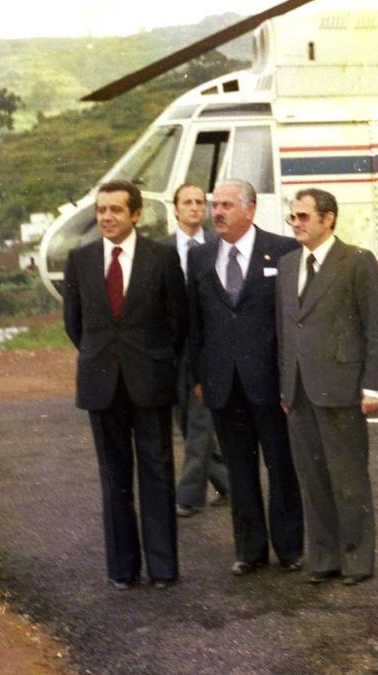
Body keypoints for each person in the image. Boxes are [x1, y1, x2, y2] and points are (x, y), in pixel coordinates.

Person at [62, 180, 187, 590]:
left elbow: (178, 321)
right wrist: (104, 357)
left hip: (150, 381)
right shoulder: (80, 260)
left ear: (135, 214)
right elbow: (75, 324)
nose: (107, 217)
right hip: (101, 384)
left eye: (115, 209)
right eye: (101, 210)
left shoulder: (162, 258)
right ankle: (122, 569)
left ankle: (163, 568)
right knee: (113, 477)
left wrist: (151, 357)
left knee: (157, 473)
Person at [187, 178, 304, 576]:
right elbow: (195, 323)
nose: (217, 212)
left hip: (269, 382)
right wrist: (199, 376)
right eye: (215, 205)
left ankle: (290, 548)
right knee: (239, 470)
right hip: (223, 383)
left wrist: (290, 378)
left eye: (226, 205)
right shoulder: (200, 257)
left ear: (250, 210)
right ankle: (249, 550)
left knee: (281, 466)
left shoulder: (283, 250)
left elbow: (291, 320)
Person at [277, 188, 378, 587]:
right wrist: (285, 388)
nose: (296, 223)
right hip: (299, 392)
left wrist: (374, 386)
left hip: (341, 387)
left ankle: (356, 559)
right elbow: (286, 331)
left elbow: (377, 327)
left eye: (304, 216)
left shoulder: (357, 261)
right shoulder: (288, 265)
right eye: (293, 217)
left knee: (348, 478)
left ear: (328, 219)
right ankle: (324, 558)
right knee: (312, 479)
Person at [168, 183, 230, 517]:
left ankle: (189, 495)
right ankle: (230, 482)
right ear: (175, 209)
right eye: (187, 202)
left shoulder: (220, 246)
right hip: (173, 352)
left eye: (199, 202)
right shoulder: (161, 250)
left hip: (207, 348)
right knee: (185, 420)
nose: (194, 207)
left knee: (200, 422)